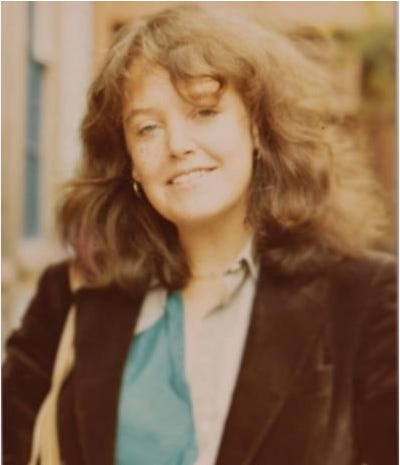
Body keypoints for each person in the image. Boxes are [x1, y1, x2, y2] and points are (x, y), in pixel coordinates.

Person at [3, 4, 396, 465]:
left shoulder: (364, 297)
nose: (178, 145)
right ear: (129, 161)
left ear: (257, 127)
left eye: (204, 112)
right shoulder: (71, 293)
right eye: (148, 128)